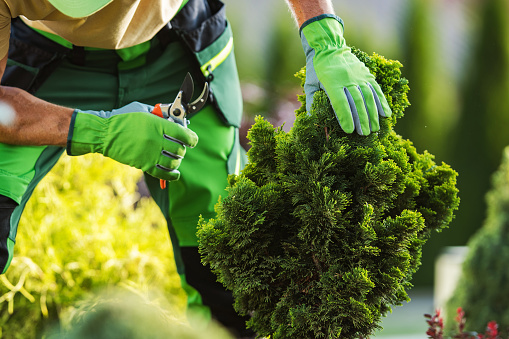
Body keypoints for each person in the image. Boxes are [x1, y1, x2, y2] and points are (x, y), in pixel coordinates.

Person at [0, 0, 391, 337]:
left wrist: (324, 38)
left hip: (179, 47)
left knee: (229, 262)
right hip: (42, 61)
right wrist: (96, 130)